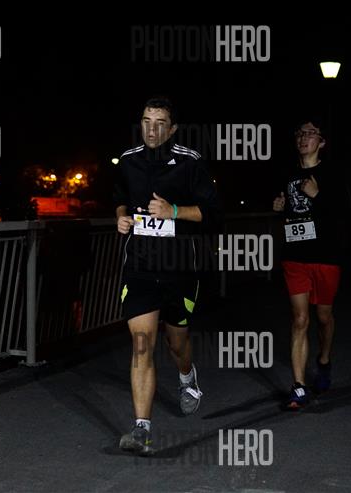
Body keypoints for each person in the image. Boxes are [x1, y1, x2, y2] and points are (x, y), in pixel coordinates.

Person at [113, 96, 222, 455]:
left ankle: (187, 376)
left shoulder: (190, 162)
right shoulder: (128, 160)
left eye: (160, 122)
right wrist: (121, 217)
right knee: (141, 343)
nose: (152, 129)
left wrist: (173, 210)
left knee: (177, 343)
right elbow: (119, 197)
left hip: (179, 270)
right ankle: (142, 429)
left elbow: (213, 213)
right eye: (146, 121)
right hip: (140, 268)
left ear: (172, 129)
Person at [272, 119, 351, 410]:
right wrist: (279, 208)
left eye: (310, 134)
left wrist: (318, 195)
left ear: (322, 142)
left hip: (326, 256)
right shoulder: (287, 173)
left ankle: (324, 360)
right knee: (300, 319)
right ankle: (298, 387)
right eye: (300, 133)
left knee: (323, 317)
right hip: (295, 256)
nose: (303, 138)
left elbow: (347, 213)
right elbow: (288, 209)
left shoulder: (332, 173)